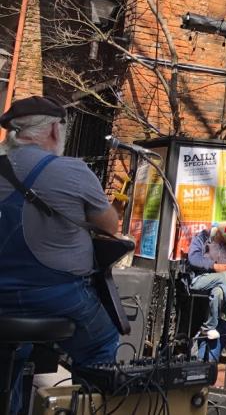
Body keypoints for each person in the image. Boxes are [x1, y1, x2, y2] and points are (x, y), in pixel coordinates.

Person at [0, 97, 123, 414]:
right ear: (55, 129)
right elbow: (110, 225)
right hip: (56, 295)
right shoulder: (72, 170)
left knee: (12, 349)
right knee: (101, 342)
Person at [188, 221, 226, 344]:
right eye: (223, 240)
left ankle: (208, 327)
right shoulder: (202, 237)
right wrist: (214, 266)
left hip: (219, 282)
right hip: (200, 279)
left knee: (218, 292)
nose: (225, 244)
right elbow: (193, 259)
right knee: (224, 276)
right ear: (218, 233)